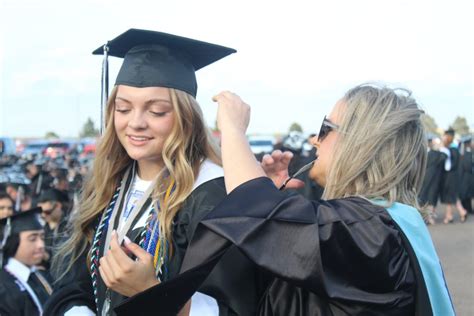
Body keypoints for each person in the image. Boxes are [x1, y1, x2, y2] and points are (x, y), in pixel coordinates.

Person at [115, 84, 455, 316]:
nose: (316, 142)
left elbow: (260, 213)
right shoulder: (379, 226)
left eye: (325, 128)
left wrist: (232, 130)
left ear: (360, 142)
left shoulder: (369, 233)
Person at [44, 29, 255, 316]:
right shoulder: (107, 186)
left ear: (186, 117)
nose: (136, 123)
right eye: (123, 108)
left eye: (156, 111)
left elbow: (237, 306)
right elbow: (73, 283)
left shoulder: (212, 195)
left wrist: (153, 293)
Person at [0, 207, 53, 315]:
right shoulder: (3, 287)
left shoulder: (41, 274)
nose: (41, 245)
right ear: (13, 242)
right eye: (32, 239)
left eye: (42, 238)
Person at [37, 188, 70, 270]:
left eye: (47, 212)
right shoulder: (41, 227)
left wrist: (47, 256)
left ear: (58, 206)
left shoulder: (69, 227)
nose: (43, 215)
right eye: (40, 213)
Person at [439, 128, 468, 223]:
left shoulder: (450, 150)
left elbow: (448, 167)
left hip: (449, 176)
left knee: (450, 196)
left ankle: (459, 212)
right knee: (452, 196)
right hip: (454, 176)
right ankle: (450, 215)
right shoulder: (456, 149)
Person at [418, 135, 446, 225]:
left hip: (424, 178)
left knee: (424, 197)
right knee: (432, 197)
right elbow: (444, 157)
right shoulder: (437, 154)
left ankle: (426, 217)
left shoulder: (421, 153)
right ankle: (429, 217)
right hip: (434, 179)